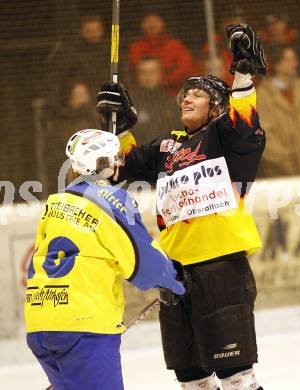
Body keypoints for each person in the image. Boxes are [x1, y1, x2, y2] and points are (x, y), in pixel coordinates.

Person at [97, 24, 266, 390]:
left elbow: (244, 120)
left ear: (217, 106)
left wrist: (242, 72)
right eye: (184, 94)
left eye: (197, 94)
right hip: (174, 273)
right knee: (192, 379)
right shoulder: (166, 146)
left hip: (220, 266)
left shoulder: (227, 137)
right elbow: (119, 170)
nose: (185, 98)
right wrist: (119, 127)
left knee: (235, 377)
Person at [24, 129, 185, 390]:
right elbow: (143, 260)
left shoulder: (55, 202)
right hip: (83, 324)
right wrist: (174, 281)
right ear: (105, 164)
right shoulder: (112, 200)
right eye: (115, 158)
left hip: (41, 321)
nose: (120, 163)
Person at [257, 45, 300, 177]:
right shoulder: (262, 96)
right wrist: (286, 159)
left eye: (294, 59)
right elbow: (263, 135)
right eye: (289, 60)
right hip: (279, 174)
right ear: (278, 65)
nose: (295, 64)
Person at [127, 12, 196, 96]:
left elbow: (185, 69)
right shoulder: (135, 47)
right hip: (141, 94)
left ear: (163, 23)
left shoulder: (175, 46)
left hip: (172, 94)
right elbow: (132, 73)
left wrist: (162, 82)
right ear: (142, 24)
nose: (152, 25)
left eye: (155, 21)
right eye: (147, 21)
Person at [131, 56, 182, 145]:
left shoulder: (170, 103)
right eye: (143, 72)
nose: (148, 77)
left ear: (160, 74)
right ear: (137, 75)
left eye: (152, 72)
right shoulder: (128, 103)